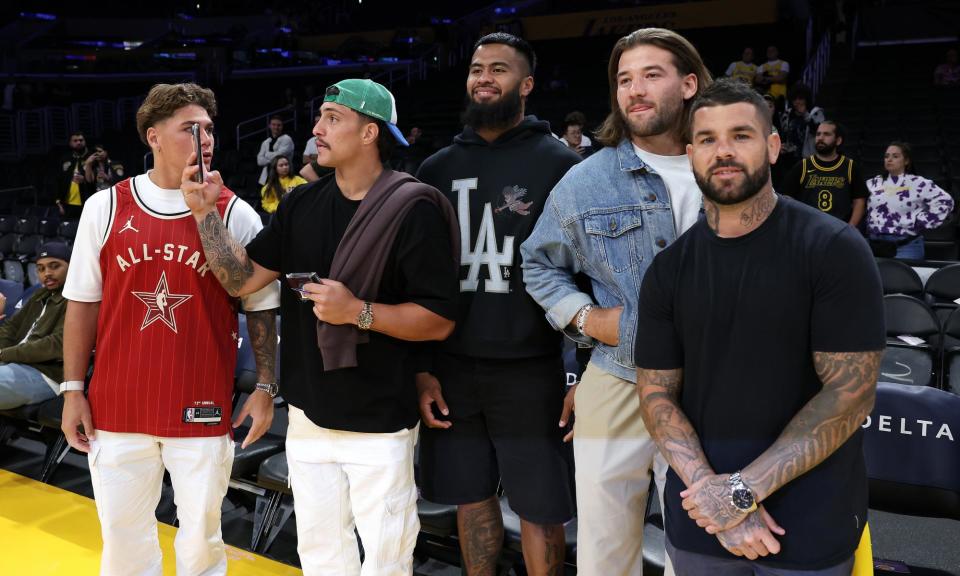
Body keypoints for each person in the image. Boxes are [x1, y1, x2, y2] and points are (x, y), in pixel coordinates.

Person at [183, 78, 459, 576]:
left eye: (333, 117)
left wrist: (359, 312)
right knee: (321, 558)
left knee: (386, 561)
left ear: (371, 132)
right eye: (320, 117)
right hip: (308, 415)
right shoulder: (301, 204)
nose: (317, 129)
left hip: (379, 422)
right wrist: (205, 212)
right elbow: (241, 280)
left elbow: (438, 320)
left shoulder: (415, 208)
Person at [634, 77, 884, 574]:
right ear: (690, 154)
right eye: (707, 139)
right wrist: (712, 495)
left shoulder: (833, 249)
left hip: (809, 515)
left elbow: (851, 394)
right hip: (700, 516)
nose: (723, 151)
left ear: (772, 147)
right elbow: (656, 393)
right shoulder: (668, 268)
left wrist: (742, 492)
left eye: (741, 135)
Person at [61, 82, 280, 576]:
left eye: (209, 130)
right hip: (117, 404)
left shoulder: (233, 211)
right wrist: (73, 389)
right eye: (190, 128)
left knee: (201, 540)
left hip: (199, 405)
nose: (205, 140)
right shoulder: (106, 207)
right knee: (122, 540)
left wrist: (265, 385)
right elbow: (81, 305)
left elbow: (261, 306)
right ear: (153, 136)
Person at [521, 27, 712, 575]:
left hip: (712, 385)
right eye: (624, 79)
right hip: (617, 376)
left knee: (700, 545)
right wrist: (584, 317)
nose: (635, 89)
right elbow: (538, 264)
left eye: (652, 75)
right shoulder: (588, 180)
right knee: (605, 553)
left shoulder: (727, 167)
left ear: (690, 82)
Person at [415, 32, 581, 576]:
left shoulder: (562, 165)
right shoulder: (435, 169)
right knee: (470, 495)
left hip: (532, 368)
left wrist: (578, 375)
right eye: (476, 68)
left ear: (526, 84)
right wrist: (422, 368)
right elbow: (415, 280)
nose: (484, 77)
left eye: (500, 70)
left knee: (542, 507)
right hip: (453, 366)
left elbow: (589, 276)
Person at [0, 242, 70, 410]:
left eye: (55, 267)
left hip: (45, 375)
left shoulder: (77, 300)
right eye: (41, 268)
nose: (47, 274)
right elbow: (11, 327)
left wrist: (3, 354)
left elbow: (56, 345)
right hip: (12, 364)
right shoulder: (40, 293)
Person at [866, 141, 955, 260]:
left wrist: (920, 220)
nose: (889, 159)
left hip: (905, 246)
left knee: (901, 278)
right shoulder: (873, 183)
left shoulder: (919, 183)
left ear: (906, 161)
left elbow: (945, 201)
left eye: (895, 156)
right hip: (874, 244)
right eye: (886, 156)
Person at [780, 120, 868, 227]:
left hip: (839, 231)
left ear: (838, 140)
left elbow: (859, 200)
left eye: (826, 134)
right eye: (818, 134)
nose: (820, 138)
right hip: (809, 230)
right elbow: (786, 197)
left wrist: (851, 227)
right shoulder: (803, 166)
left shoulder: (850, 166)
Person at [57, 131, 91, 219]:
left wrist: (85, 179)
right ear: (70, 143)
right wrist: (58, 201)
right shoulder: (65, 158)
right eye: (75, 141)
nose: (78, 142)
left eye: (81, 140)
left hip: (87, 203)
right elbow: (58, 180)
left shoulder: (91, 158)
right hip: (67, 204)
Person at [256, 114, 294, 185]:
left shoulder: (287, 139)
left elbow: (279, 157)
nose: (276, 127)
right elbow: (259, 160)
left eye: (279, 125)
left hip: (283, 176)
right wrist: (271, 159)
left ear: (282, 126)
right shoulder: (266, 142)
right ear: (269, 126)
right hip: (267, 177)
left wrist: (266, 155)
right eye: (273, 124)